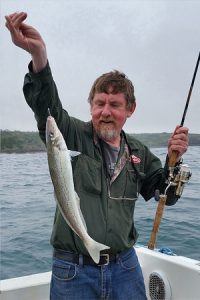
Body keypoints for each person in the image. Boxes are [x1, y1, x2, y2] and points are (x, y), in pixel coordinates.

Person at [5, 12, 189, 300]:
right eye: (99, 103)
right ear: (90, 105)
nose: (105, 111)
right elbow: (47, 107)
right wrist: (39, 56)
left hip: (126, 267)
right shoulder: (71, 135)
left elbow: (164, 193)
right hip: (74, 270)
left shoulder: (139, 152)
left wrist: (173, 162)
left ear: (130, 110)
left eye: (114, 104)